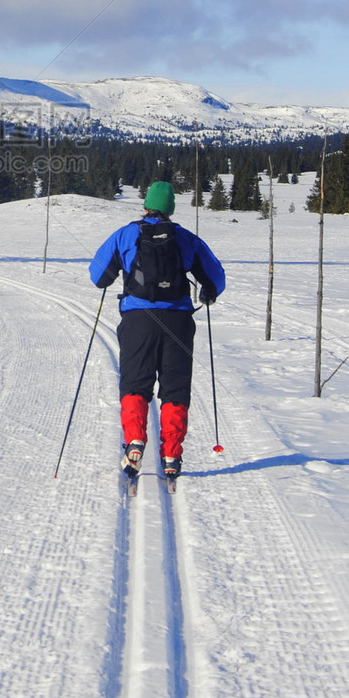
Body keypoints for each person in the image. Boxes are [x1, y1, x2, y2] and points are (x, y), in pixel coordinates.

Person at [88, 180, 225, 483]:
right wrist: (207, 293)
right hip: (178, 322)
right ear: (171, 208)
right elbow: (216, 278)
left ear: (146, 204)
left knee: (135, 384)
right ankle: (172, 454)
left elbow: (98, 276)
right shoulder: (186, 239)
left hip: (138, 320)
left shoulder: (125, 235)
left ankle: (135, 440)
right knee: (175, 389)